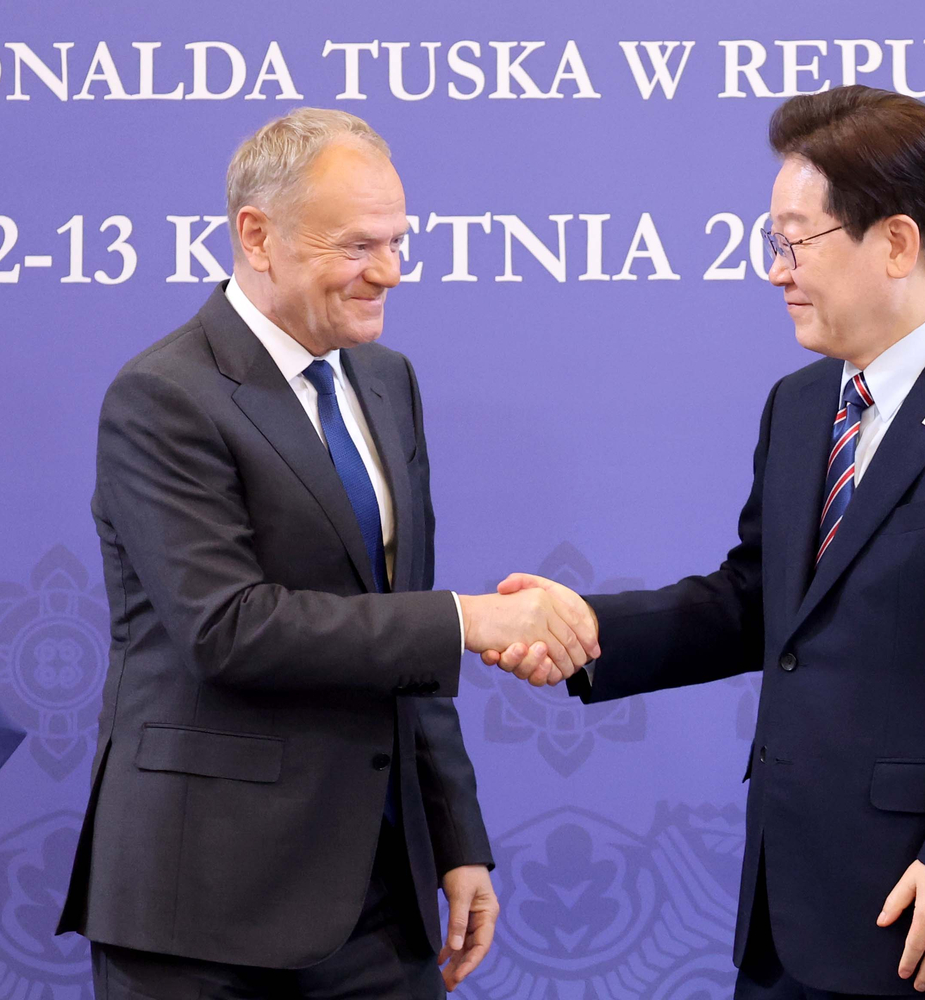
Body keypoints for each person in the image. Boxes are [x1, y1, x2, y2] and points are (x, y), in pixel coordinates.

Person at [487, 86, 925, 999]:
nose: (776, 269)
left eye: (794, 240)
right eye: (770, 242)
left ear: (894, 241)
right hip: (789, 912)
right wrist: (583, 628)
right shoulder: (804, 403)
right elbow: (757, 601)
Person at [56, 108, 600, 1000]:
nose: (386, 272)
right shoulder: (164, 396)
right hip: (204, 904)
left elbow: (398, 627)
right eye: (355, 246)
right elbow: (229, 630)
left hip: (378, 898)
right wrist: (475, 619)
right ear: (256, 235)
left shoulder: (385, 381)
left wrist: (455, 838)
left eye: (396, 242)